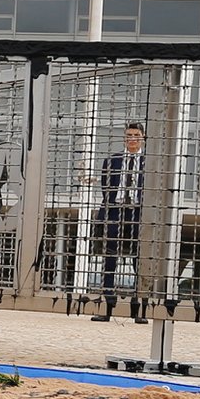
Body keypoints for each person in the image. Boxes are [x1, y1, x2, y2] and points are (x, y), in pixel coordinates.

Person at [88, 121, 146, 322]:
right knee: (109, 259)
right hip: (115, 213)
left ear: (143, 137)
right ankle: (107, 306)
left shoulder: (150, 162)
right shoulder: (112, 161)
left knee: (139, 260)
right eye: (129, 135)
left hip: (138, 214)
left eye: (136, 135)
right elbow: (106, 188)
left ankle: (139, 309)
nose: (132, 139)